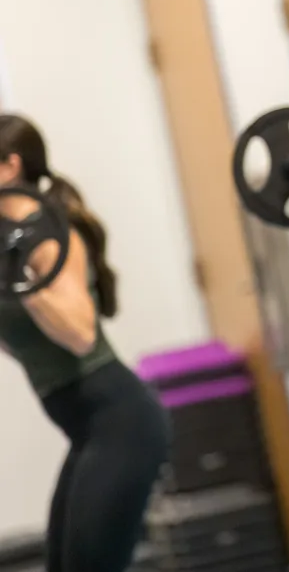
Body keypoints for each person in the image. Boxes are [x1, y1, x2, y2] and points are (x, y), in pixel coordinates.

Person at [0, 114, 170, 572]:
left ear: (9, 167)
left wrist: (26, 281)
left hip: (121, 423)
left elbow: (80, 335)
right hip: (86, 428)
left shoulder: (50, 236)